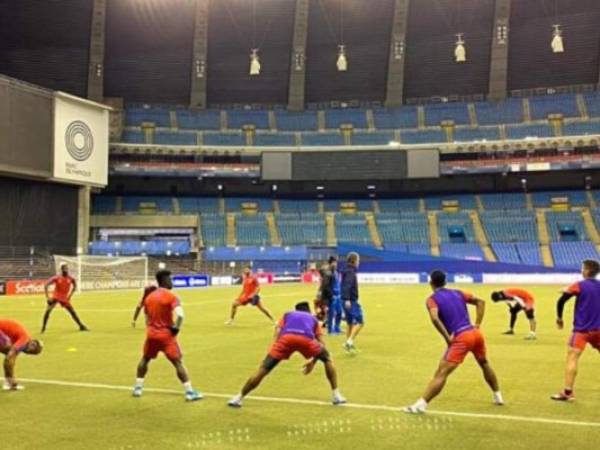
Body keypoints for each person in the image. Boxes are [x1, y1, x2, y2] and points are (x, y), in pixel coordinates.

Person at [404, 270, 504, 414]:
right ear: (445, 281)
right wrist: (477, 325)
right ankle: (498, 396)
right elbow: (480, 302)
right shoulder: (458, 293)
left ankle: (420, 405)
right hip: (475, 334)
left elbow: (434, 318)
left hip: (461, 337)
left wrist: (447, 338)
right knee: (484, 363)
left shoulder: (432, 299)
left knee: (442, 372)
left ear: (431, 283)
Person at [227, 301, 346, 408]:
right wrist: (313, 362)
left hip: (286, 339)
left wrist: (273, 349)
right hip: (305, 339)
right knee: (327, 359)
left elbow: (277, 330)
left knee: (264, 369)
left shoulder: (287, 314)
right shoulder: (313, 319)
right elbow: (322, 344)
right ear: (308, 311)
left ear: (296, 310)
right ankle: (336, 395)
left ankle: (239, 397)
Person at [132, 270, 202, 401]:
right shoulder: (171, 296)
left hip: (151, 334)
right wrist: (176, 328)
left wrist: (152, 328)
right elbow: (181, 315)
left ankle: (138, 388)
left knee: (145, 359)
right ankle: (189, 392)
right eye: (170, 279)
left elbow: (146, 319)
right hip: (166, 335)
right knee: (177, 362)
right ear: (164, 280)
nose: (172, 282)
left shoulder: (149, 297)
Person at [551, 259, 600, 402]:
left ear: (587, 270)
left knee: (572, 357)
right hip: (598, 329)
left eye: (583, 268)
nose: (581, 270)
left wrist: (559, 318)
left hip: (582, 331)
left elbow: (561, 300)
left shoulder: (579, 285)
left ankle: (567, 393)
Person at [42, 263, 89, 333]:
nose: (66, 270)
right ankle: (43, 327)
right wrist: (48, 297)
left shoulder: (71, 278)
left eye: (66, 268)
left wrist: (70, 295)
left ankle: (81, 326)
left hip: (64, 298)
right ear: (62, 270)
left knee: (72, 312)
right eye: (64, 268)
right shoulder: (57, 277)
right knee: (48, 311)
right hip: (56, 297)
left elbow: (75, 286)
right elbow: (46, 285)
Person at [0, 319, 43, 391]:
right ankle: (9, 382)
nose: (28, 354)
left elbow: (11, 359)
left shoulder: (22, 343)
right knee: (9, 351)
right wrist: (12, 379)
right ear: (33, 344)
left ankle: (9, 381)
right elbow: (9, 358)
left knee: (9, 352)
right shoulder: (24, 340)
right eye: (31, 352)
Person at [341, 252, 363, 354]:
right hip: (350, 301)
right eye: (358, 260)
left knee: (350, 323)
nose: (359, 262)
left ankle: (348, 345)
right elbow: (347, 286)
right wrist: (348, 299)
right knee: (360, 322)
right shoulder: (351, 272)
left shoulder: (346, 271)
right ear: (354, 261)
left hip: (346, 300)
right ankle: (349, 342)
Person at [314, 258, 335, 328]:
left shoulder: (326, 272)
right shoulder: (327, 273)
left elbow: (321, 270)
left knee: (321, 307)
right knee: (323, 307)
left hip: (321, 291)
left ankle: (322, 320)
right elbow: (325, 285)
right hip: (323, 292)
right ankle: (322, 321)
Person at [327, 257, 343, 335]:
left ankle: (337, 327)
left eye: (336, 262)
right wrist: (330, 295)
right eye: (334, 262)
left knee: (339, 312)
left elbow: (338, 284)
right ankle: (330, 330)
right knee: (331, 313)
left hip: (338, 295)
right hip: (332, 296)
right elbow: (326, 286)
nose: (335, 264)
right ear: (330, 263)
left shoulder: (336, 272)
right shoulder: (328, 273)